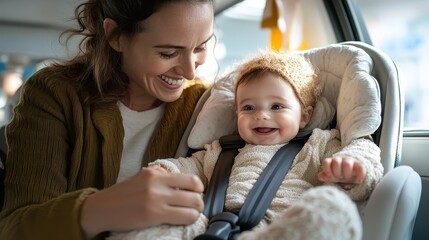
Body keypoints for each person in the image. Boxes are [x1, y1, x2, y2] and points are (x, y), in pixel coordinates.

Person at [107, 52, 384, 240]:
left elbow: (361, 147)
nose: (261, 115)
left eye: (277, 106)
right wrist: (164, 170)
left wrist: (353, 166)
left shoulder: (318, 143)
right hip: (207, 227)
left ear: (305, 115)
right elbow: (189, 166)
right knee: (156, 222)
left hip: (276, 228)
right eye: (248, 107)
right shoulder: (222, 149)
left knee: (331, 209)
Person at [0, 1, 215, 239]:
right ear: (116, 35)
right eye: (168, 53)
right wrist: (101, 209)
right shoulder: (55, 94)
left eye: (201, 48)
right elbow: (15, 228)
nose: (189, 72)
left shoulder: (207, 103)